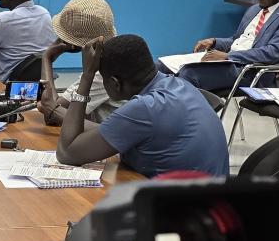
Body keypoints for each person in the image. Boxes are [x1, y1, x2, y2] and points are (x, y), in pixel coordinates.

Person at [54, 34, 229, 178]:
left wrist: (87, 75)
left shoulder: (144, 108)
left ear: (115, 83)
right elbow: (112, 130)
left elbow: (66, 154)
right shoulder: (179, 85)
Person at [37, 0, 117, 125]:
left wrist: (47, 58)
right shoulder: (112, 53)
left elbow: (52, 113)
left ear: (74, 43)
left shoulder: (101, 72)